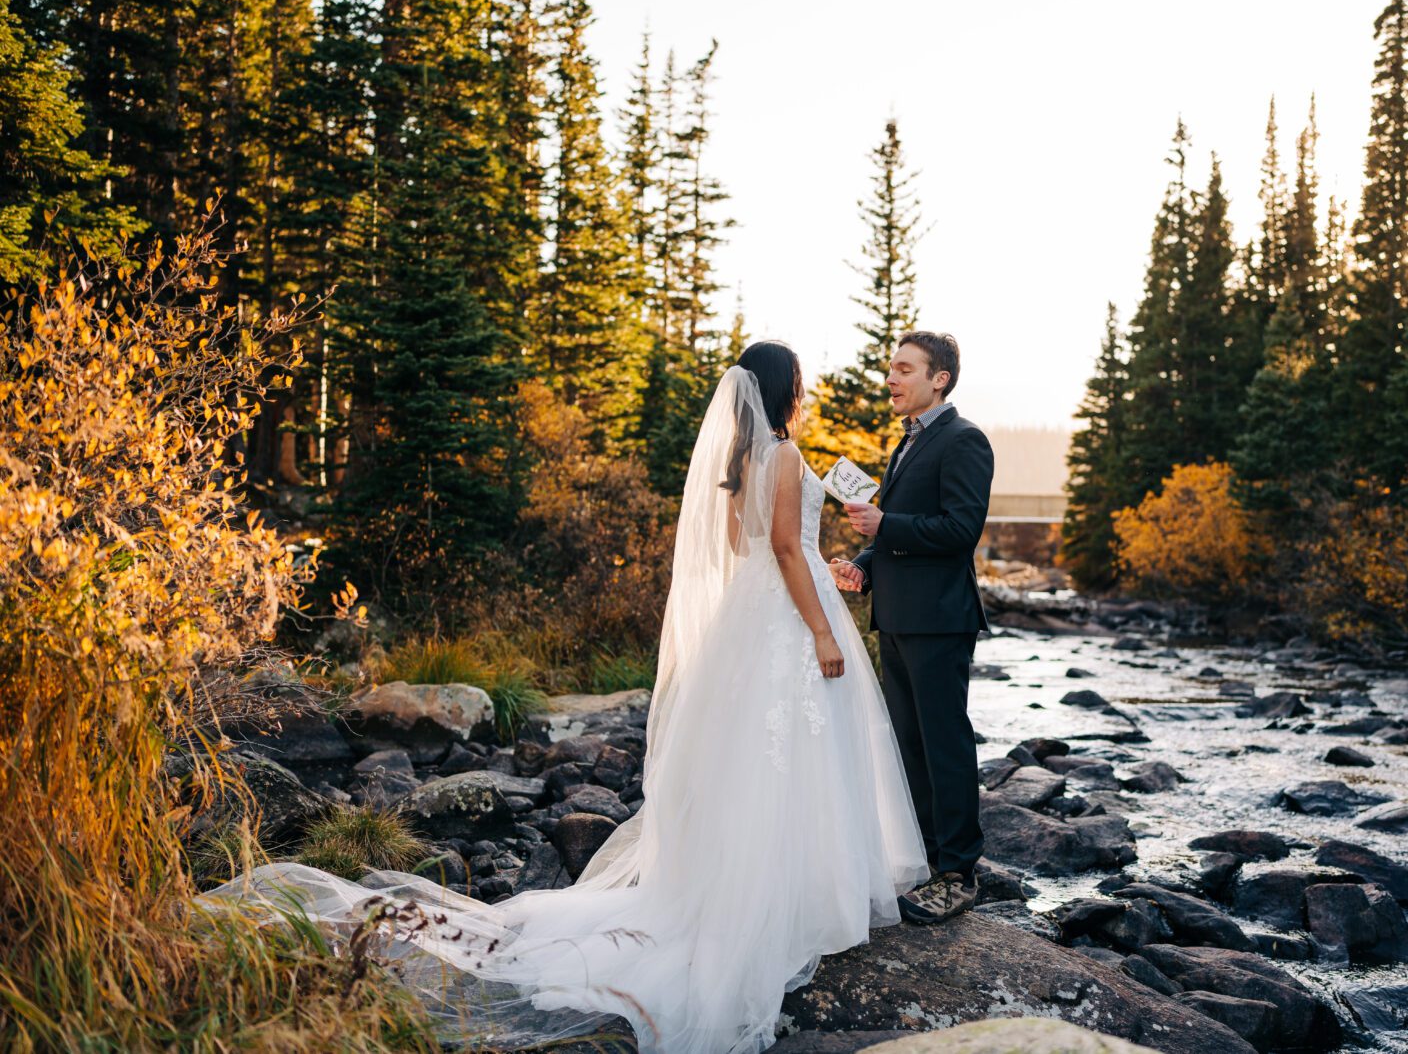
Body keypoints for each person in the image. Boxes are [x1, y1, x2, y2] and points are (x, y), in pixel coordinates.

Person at [203, 341, 929, 1054]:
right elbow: (781, 549)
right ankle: (796, 902)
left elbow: (755, 553)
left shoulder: (741, 464)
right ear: (786, 391)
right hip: (788, 621)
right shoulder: (790, 458)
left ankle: (744, 891)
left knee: (754, 762)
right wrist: (822, 631)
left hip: (754, 620)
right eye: (800, 383)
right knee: (796, 757)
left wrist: (822, 572)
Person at [828, 330, 994, 926]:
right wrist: (862, 566)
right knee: (909, 746)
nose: (891, 379)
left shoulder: (964, 440)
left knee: (944, 745)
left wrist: (885, 526)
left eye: (904, 369)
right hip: (897, 618)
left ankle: (959, 873)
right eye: (891, 369)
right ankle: (929, 860)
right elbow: (897, 531)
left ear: (938, 379)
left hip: (940, 620)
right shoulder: (906, 444)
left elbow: (959, 532)